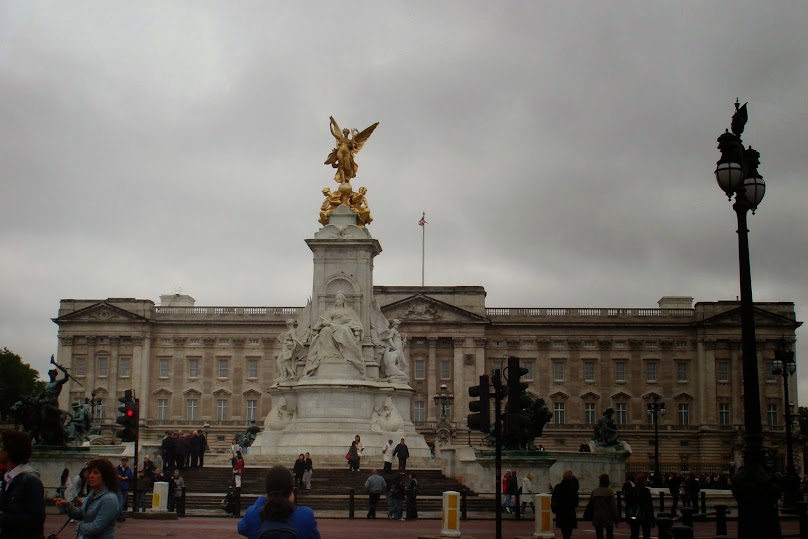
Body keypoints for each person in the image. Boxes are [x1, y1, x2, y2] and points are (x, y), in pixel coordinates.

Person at [237, 465, 320, 539]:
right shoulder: (306, 515)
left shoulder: (253, 513)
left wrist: (263, 498)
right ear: (291, 490)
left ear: (267, 489)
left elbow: (241, 529)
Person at [304, 292, 366, 377]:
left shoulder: (349, 311)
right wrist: (325, 323)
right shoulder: (330, 310)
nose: (337, 300)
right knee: (325, 331)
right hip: (332, 326)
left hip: (345, 326)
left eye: (339, 299)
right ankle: (329, 355)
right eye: (336, 299)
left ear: (343, 300)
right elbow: (323, 320)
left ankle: (348, 355)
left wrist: (348, 323)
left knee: (344, 330)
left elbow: (355, 323)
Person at [55, 457, 119, 539]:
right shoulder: (92, 494)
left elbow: (97, 527)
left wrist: (79, 526)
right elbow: (81, 514)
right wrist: (68, 506)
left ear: (105, 476)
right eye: (90, 472)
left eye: (96, 473)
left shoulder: (109, 499)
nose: (91, 476)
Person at [0, 430, 46, 538]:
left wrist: (3, 518)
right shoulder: (9, 478)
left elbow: (36, 520)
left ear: (10, 450)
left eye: (1, 446)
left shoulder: (30, 481)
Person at [590, 473, 620, 539]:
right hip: (608, 516)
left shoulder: (595, 491)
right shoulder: (609, 492)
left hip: (597, 516)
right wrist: (616, 519)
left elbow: (591, 505)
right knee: (609, 535)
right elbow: (613, 507)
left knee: (599, 535)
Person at [551, 470, 579, 539]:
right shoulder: (572, 488)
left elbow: (554, 500)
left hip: (561, 513)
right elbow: (576, 501)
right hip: (570, 512)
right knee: (569, 533)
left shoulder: (558, 487)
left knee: (564, 532)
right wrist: (574, 478)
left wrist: (555, 509)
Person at [626, 472, 654, 539]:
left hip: (634, 514)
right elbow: (650, 505)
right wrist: (652, 519)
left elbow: (628, 504)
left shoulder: (631, 490)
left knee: (634, 533)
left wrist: (627, 516)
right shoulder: (646, 491)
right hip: (645, 515)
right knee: (646, 534)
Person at [115, 456, 133, 522]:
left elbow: (131, 477)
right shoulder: (117, 469)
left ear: (127, 462)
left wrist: (127, 477)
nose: (124, 462)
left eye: (125, 461)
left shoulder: (129, 469)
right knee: (121, 501)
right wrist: (118, 477)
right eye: (123, 461)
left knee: (122, 501)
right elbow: (113, 476)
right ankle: (119, 515)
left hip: (125, 487)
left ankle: (119, 515)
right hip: (119, 487)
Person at [233, 451, 245, 517]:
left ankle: (238, 487)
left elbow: (238, 466)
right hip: (238, 472)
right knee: (237, 480)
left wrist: (235, 469)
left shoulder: (240, 460)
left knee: (238, 480)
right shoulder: (239, 460)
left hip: (238, 472)